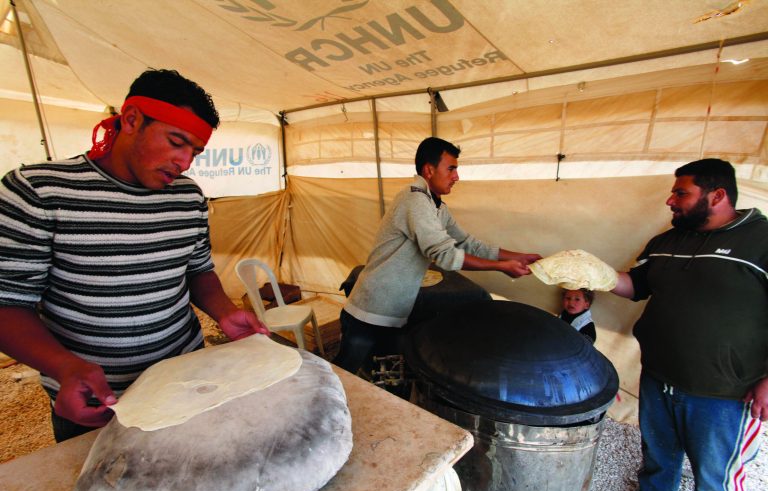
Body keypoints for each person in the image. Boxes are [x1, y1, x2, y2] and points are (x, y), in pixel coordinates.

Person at [0, 69, 268, 442]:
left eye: (195, 151)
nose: (185, 162)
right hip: (99, 402)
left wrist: (224, 310)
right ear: (131, 120)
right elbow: (8, 302)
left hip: (185, 383)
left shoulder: (187, 197)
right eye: (177, 142)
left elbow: (198, 271)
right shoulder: (39, 191)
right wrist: (62, 366)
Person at [610, 158, 767, 491]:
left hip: (724, 391)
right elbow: (636, 285)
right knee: (659, 452)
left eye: (681, 193)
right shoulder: (666, 240)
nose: (670, 200)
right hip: (658, 374)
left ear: (718, 195)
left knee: (716, 476)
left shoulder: (760, 240)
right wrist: (597, 274)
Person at [334, 136, 541, 374]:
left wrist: (518, 256)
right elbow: (445, 254)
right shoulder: (414, 201)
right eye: (451, 168)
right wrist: (501, 266)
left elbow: (466, 242)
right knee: (343, 377)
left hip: (394, 311)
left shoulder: (437, 207)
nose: (456, 177)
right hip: (370, 310)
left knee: (387, 375)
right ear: (429, 170)